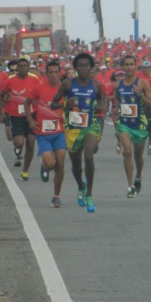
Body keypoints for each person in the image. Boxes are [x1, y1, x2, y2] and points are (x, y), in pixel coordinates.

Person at [51, 53, 105, 213]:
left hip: (90, 126)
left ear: (91, 67)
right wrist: (66, 105)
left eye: (86, 65)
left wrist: (101, 107)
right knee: (76, 166)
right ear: (75, 68)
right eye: (80, 65)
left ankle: (89, 194)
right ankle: (81, 186)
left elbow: (102, 99)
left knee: (88, 156)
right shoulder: (67, 84)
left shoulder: (96, 85)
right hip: (73, 129)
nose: (83, 68)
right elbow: (53, 104)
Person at [25, 61, 66, 207]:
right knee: (51, 164)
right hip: (42, 133)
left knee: (60, 163)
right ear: (46, 73)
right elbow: (27, 102)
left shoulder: (64, 89)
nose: (54, 75)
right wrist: (30, 119)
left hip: (59, 131)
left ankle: (56, 196)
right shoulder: (39, 88)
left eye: (56, 72)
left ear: (60, 73)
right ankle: (44, 164)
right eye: (51, 72)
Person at [113, 55, 151, 198]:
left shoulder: (143, 83)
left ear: (136, 66)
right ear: (122, 67)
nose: (129, 67)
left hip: (139, 124)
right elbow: (118, 102)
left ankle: (138, 176)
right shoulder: (118, 84)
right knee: (127, 152)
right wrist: (118, 112)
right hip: (124, 124)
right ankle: (130, 185)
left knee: (138, 157)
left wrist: (140, 95)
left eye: (131, 64)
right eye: (126, 64)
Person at [0, 58, 42, 180]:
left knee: (31, 143)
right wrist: (1, 113)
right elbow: (1, 96)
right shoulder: (10, 81)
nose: (22, 68)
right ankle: (17, 146)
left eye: (25, 66)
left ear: (28, 67)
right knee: (19, 143)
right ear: (17, 68)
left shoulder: (35, 79)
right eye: (20, 66)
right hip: (16, 115)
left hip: (32, 115)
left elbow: (42, 93)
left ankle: (25, 170)